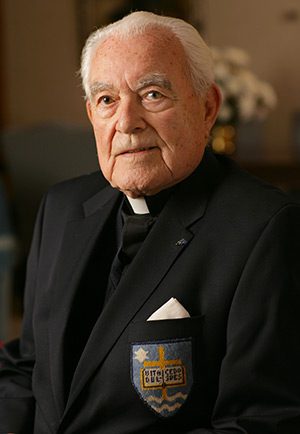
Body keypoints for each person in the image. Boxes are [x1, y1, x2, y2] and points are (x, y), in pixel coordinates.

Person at [0, 11, 300, 434]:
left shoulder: (264, 227)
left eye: (153, 94)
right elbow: (27, 365)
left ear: (208, 107)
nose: (126, 121)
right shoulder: (62, 207)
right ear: (92, 115)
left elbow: (258, 422)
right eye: (107, 100)